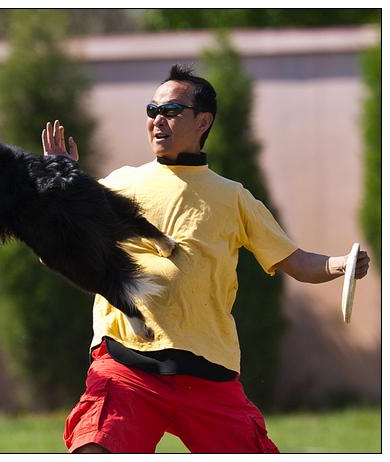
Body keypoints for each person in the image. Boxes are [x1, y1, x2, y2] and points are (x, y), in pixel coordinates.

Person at [41, 64, 371, 454]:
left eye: (171, 111)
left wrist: (340, 264)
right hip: (127, 365)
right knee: (93, 447)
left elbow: (296, 262)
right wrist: (61, 191)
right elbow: (59, 252)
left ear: (203, 120)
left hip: (208, 376)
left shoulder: (234, 198)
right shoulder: (118, 183)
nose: (158, 120)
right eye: (152, 111)